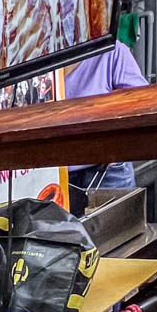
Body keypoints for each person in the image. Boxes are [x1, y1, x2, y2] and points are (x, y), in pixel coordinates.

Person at [63, 41, 149, 215]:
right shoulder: (32, 62)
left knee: (116, 237)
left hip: (106, 173)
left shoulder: (111, 52)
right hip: (52, 178)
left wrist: (117, 148)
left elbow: (144, 106)